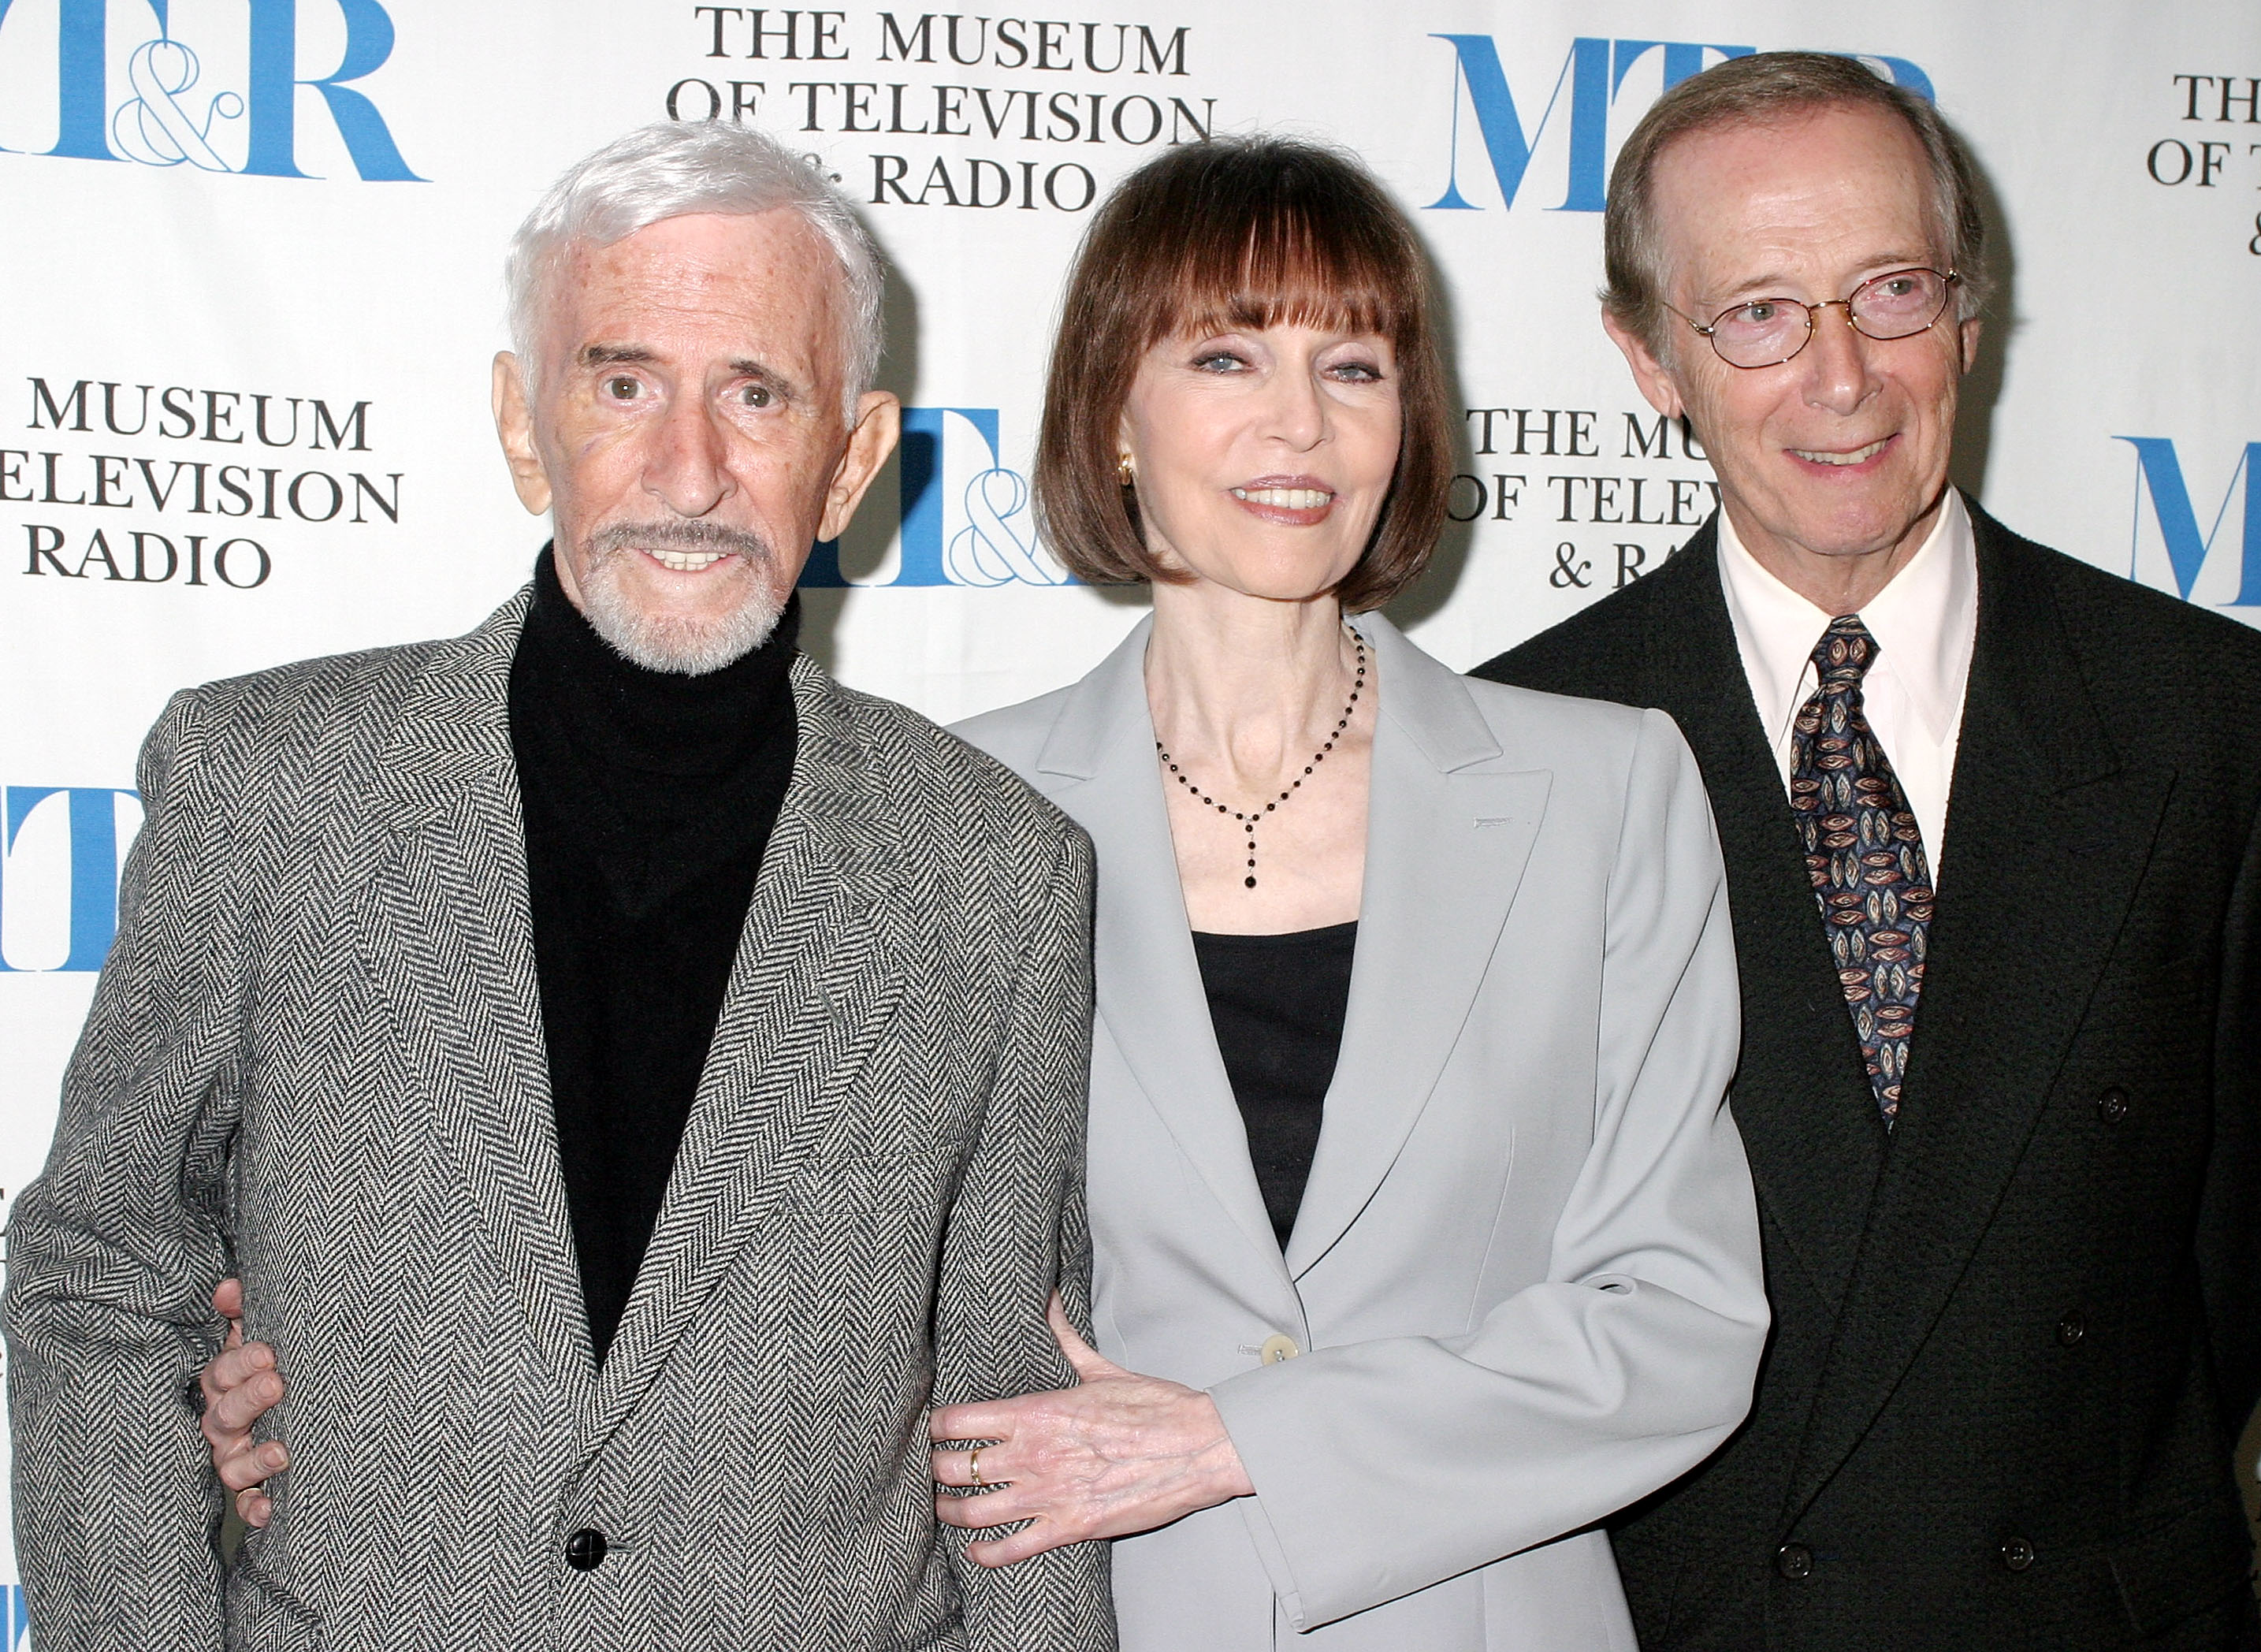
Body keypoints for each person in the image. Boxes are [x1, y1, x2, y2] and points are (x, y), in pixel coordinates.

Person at [196, 136, 1771, 1650]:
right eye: (1227, 358)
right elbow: (743, 1281)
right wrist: (282, 1378)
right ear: (1117, 419)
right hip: (1092, 1613)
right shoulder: (954, 832)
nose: (1299, 424)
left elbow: (1679, 1321)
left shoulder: (1605, 792)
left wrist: (1245, 1439)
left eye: (1351, 367)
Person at [5, 121, 1114, 1650]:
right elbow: (103, 1270)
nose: (689, 470)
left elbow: (1009, 1423)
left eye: (757, 393)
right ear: (526, 427)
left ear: (852, 456)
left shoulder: (997, 874)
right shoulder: (267, 787)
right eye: (621, 383)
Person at [1477, 52, 2261, 1651]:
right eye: (1756, 314)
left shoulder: (2229, 729)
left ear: (1968, 314)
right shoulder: (1502, 751)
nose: (1841, 378)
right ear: (1647, 358)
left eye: (1889, 292)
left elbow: (2234, 1270)